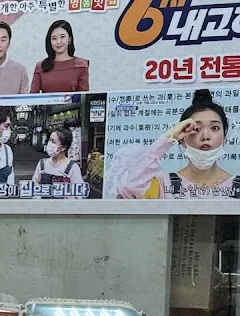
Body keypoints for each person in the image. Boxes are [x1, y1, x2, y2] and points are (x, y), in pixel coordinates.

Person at [109, 89, 240, 200]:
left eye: (215, 128)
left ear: (224, 138)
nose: (206, 136)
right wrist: (168, 138)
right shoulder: (162, 184)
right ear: (182, 139)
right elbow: (128, 186)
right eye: (197, 129)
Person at [30, 20, 89, 93]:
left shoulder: (81, 65)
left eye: (62, 37)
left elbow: (84, 97)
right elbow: (33, 96)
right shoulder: (40, 66)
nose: (58, 42)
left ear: (69, 39)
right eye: (54, 38)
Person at [30, 127, 84, 191]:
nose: (50, 144)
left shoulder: (73, 167)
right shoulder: (42, 164)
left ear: (63, 147)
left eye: (53, 141)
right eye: (49, 140)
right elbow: (34, 185)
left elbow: (79, 192)